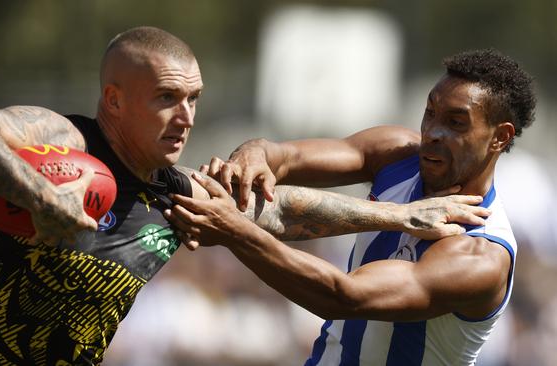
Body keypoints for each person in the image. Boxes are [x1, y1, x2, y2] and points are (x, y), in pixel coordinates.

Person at [0, 27, 488, 365]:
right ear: (114, 100)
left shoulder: (172, 191)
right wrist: (41, 197)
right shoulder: (68, 142)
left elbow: (280, 209)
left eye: (194, 99)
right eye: (166, 98)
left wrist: (401, 214)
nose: (185, 117)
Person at [166, 48, 535, 365]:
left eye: (456, 123)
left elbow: (343, 296)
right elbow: (284, 156)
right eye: (430, 112)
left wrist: (235, 230)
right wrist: (251, 156)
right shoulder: (396, 154)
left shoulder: (480, 256)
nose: (432, 132)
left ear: (500, 137)